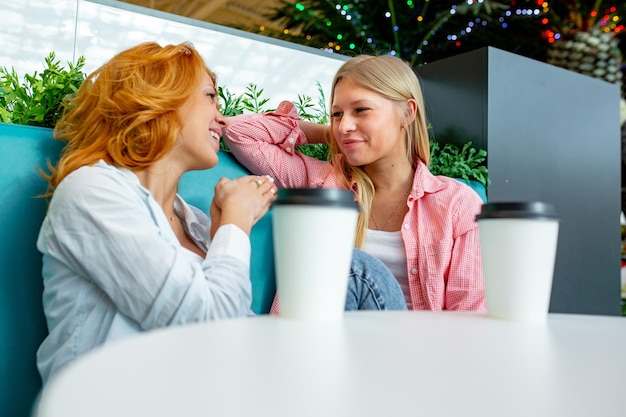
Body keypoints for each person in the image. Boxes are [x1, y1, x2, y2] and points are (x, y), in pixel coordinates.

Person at [36, 42, 406, 384]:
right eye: (211, 98)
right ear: (160, 101)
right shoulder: (92, 193)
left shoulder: (191, 220)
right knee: (356, 269)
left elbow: (238, 330)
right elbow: (209, 327)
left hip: (218, 390)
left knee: (356, 275)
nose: (221, 117)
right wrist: (235, 222)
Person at [224, 54, 485, 312]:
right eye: (337, 114)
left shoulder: (457, 204)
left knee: (347, 263)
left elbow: (468, 317)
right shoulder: (322, 182)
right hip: (319, 342)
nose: (345, 124)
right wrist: (335, 134)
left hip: (411, 349)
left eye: (361, 110)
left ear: (407, 112)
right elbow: (239, 132)